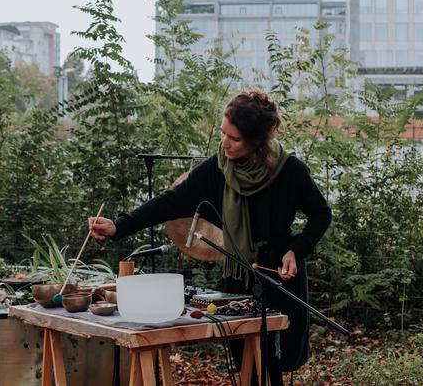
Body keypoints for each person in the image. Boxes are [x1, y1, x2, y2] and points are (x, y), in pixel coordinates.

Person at [88, 89, 332, 385]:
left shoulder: (289, 171)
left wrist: (297, 249)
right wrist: (119, 225)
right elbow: (170, 202)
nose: (224, 143)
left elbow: (321, 213)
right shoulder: (216, 170)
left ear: (256, 141)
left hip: (280, 278)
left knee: (274, 364)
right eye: (222, 133)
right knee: (247, 364)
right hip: (239, 278)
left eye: (234, 138)